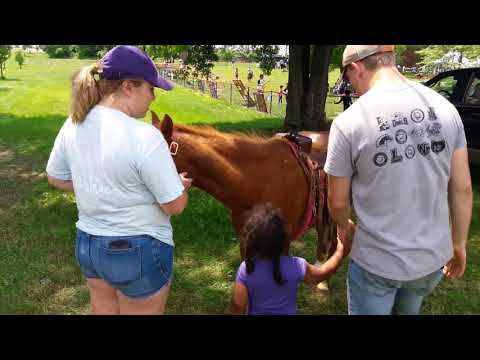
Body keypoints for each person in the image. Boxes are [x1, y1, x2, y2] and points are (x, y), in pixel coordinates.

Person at [324, 45, 473, 315]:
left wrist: (343, 226)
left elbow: (337, 201)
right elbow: (462, 188)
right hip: (429, 263)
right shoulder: (445, 108)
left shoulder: (348, 123)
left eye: (347, 78)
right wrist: (458, 243)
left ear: (356, 68)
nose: (350, 86)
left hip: (376, 265)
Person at [46, 45, 193, 315]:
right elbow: (174, 206)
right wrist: (179, 187)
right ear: (128, 86)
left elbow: (56, 177)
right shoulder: (145, 136)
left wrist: (103, 189)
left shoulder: (73, 123)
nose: (153, 98)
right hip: (138, 249)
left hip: (89, 245)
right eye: (151, 89)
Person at [230, 205, 348, 315]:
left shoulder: (246, 269)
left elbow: (239, 305)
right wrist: (340, 252)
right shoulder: (296, 266)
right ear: (284, 240)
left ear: (252, 241)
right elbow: (322, 273)